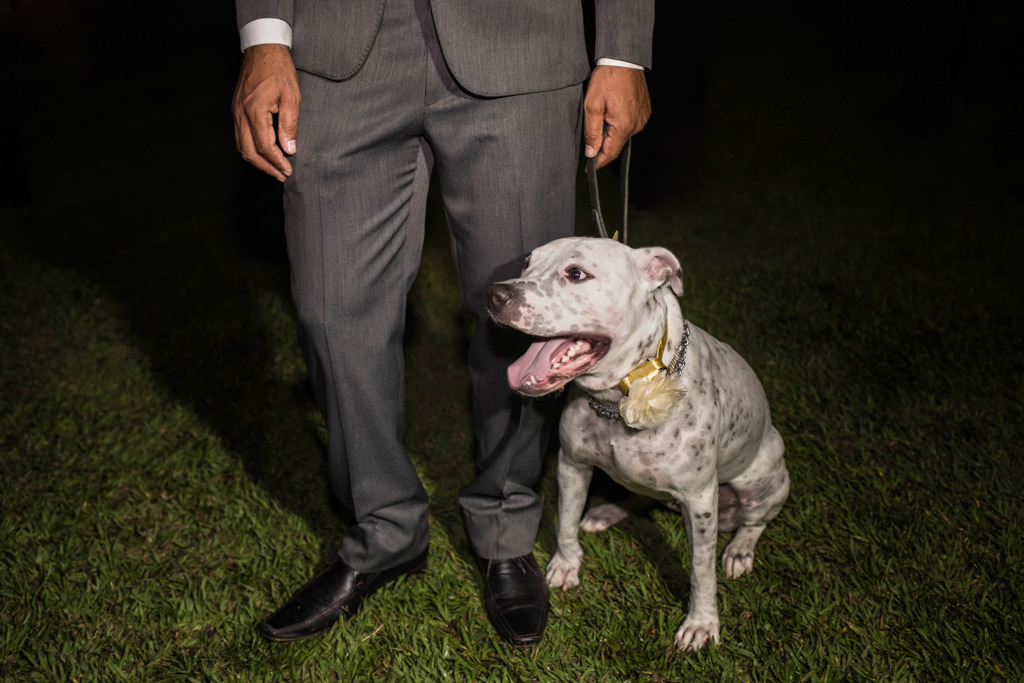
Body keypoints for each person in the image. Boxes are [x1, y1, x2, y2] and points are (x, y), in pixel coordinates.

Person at [231, 0, 653, 646]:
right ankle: (383, 528)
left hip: (521, 40)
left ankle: (506, 522)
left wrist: (622, 48)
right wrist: (263, 36)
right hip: (336, 47)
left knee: (527, 313)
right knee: (331, 307)